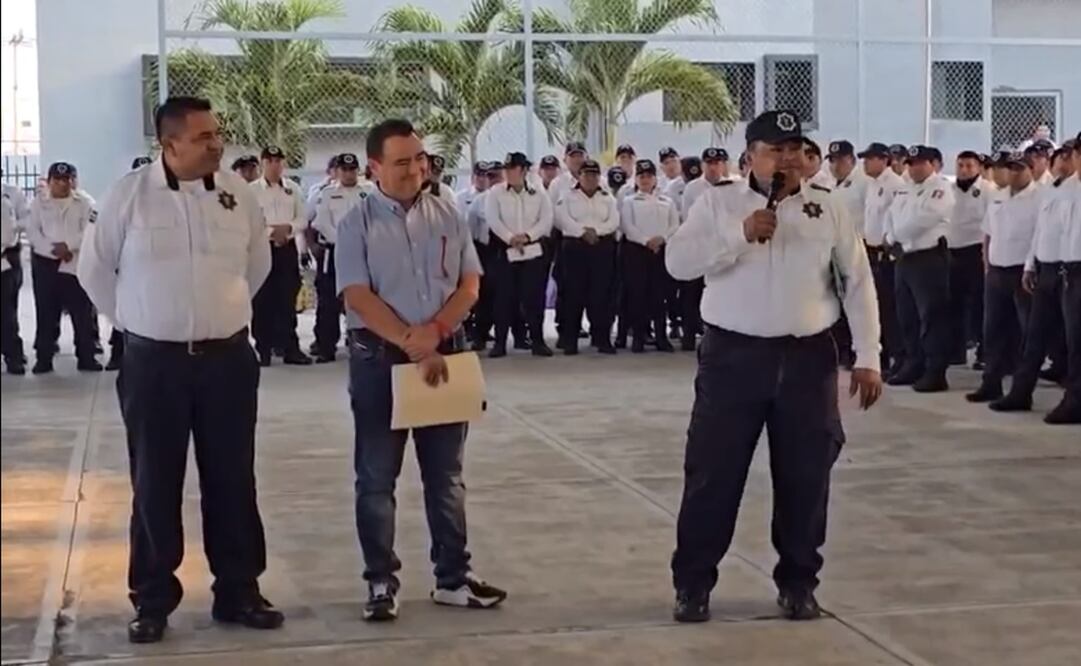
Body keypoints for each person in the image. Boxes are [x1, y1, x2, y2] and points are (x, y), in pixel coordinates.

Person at [77, 96, 281, 644]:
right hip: (154, 366)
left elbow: (256, 265)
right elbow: (93, 270)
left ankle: (239, 591)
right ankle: (152, 599)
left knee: (233, 478)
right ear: (169, 145)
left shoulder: (238, 195)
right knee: (154, 482)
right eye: (204, 137)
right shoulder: (130, 196)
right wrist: (139, 324)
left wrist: (221, 314)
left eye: (218, 133)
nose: (217, 143)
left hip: (228, 363)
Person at [665, 110, 881, 624]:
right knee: (713, 475)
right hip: (733, 359)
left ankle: (799, 581)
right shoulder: (717, 202)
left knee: (806, 476)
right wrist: (740, 234)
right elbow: (678, 263)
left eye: (793, 148)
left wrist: (868, 357)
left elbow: (857, 281)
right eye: (772, 149)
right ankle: (693, 584)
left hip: (808, 359)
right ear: (750, 155)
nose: (784, 159)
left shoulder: (826, 207)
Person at [335, 118, 507, 622]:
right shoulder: (356, 223)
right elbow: (358, 295)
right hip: (378, 361)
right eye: (402, 161)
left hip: (443, 353)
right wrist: (412, 341)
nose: (415, 169)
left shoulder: (448, 214)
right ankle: (380, 581)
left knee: (446, 476)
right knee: (375, 477)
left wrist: (434, 332)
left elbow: (470, 281)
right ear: (374, 167)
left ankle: (452, 578)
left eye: (420, 159)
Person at [985, 145, 1076, 421]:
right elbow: (1041, 233)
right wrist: (1029, 265)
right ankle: (1021, 391)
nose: (1062, 162)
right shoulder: (1054, 190)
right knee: (1034, 336)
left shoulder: (1069, 190)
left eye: (1067, 157)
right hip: (1046, 268)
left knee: (1073, 339)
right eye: (1058, 157)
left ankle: (1074, 398)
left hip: (1070, 269)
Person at [965, 153, 1040, 405]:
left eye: (1019, 169)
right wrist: (987, 263)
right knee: (993, 330)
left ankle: (1020, 390)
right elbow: (987, 233)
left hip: (1023, 272)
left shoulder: (1040, 198)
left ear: (1030, 169)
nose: (1014, 174)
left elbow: (1039, 237)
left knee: (1025, 332)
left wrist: (1031, 268)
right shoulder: (998, 196)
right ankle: (991, 383)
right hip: (996, 271)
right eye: (1010, 169)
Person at [884, 145, 954, 392]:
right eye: (910, 163)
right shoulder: (905, 188)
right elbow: (890, 215)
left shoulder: (940, 188)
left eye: (918, 163)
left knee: (932, 317)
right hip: (905, 258)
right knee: (907, 316)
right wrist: (890, 236)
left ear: (931, 164)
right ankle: (914, 364)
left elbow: (924, 219)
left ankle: (936, 371)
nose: (913, 168)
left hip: (929, 258)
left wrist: (896, 237)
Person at [26, 162, 101, 374]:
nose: (62, 184)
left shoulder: (85, 202)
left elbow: (91, 230)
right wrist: (53, 250)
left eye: (66, 179)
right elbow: (32, 231)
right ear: (49, 182)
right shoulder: (38, 204)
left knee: (82, 313)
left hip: (75, 263)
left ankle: (87, 357)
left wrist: (69, 246)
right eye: (57, 180)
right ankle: (44, 358)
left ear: (73, 181)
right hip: (46, 263)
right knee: (46, 313)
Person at [483, 152, 554, 358]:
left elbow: (546, 220)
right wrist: (510, 237)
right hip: (505, 251)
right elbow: (493, 219)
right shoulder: (496, 193)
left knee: (533, 299)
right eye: (506, 169)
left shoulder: (539, 193)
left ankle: (538, 341)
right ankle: (500, 342)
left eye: (512, 168)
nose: (508, 173)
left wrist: (528, 236)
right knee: (504, 299)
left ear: (523, 170)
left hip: (532, 251)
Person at [250, 145, 311, 366]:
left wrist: (288, 229)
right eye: (270, 161)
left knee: (287, 299)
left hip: (287, 248)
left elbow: (303, 218)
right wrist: (270, 232)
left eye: (278, 161)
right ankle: (263, 349)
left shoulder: (292, 189)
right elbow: (249, 221)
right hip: (262, 248)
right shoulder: (252, 190)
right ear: (262, 163)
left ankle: (290, 348)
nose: (275, 166)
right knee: (262, 300)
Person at [555, 159, 619, 355]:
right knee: (572, 295)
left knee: (601, 296)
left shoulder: (607, 198)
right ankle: (570, 340)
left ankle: (602, 339)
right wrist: (582, 232)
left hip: (602, 248)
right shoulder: (567, 197)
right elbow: (561, 220)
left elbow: (614, 221)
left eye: (594, 174)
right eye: (586, 174)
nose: (590, 178)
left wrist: (596, 231)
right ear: (579, 176)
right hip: (575, 248)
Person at [310, 152, 366, 362]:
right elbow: (321, 223)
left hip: (361, 251)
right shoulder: (327, 194)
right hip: (334, 250)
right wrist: (342, 240)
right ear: (338, 171)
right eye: (344, 169)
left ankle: (358, 341)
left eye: (352, 170)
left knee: (360, 298)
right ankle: (326, 346)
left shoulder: (367, 193)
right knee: (328, 300)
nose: (349, 174)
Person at [101, 156, 155, 372]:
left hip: (155, 272)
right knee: (125, 313)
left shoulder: (167, 200)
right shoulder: (121, 200)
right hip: (127, 269)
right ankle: (117, 354)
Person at [621, 159, 679, 353]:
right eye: (641, 176)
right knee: (638, 296)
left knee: (659, 296)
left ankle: (661, 337)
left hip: (661, 251)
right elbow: (628, 227)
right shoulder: (629, 201)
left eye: (649, 176)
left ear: (655, 178)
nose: (645, 180)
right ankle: (638, 337)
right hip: (637, 251)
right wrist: (646, 241)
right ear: (636, 179)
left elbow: (674, 225)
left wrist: (661, 239)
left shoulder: (667, 201)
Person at [860, 142, 907, 373]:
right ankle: (883, 355)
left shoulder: (895, 185)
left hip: (886, 254)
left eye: (870, 158)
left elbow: (896, 220)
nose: (865, 163)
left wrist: (889, 248)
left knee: (889, 309)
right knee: (875, 308)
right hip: (870, 251)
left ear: (883, 160)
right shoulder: (872, 184)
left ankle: (898, 357)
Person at [947, 151, 990, 367]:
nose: (964, 170)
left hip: (976, 252)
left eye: (969, 166)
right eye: (960, 165)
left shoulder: (987, 190)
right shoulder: (948, 189)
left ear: (979, 168)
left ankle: (984, 351)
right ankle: (956, 350)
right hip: (952, 252)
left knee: (979, 304)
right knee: (954, 304)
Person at [1, 181, 30, 375]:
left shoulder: (7, 198)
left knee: (6, 312)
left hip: (6, 259)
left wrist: (13, 229)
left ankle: (13, 356)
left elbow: (7, 233)